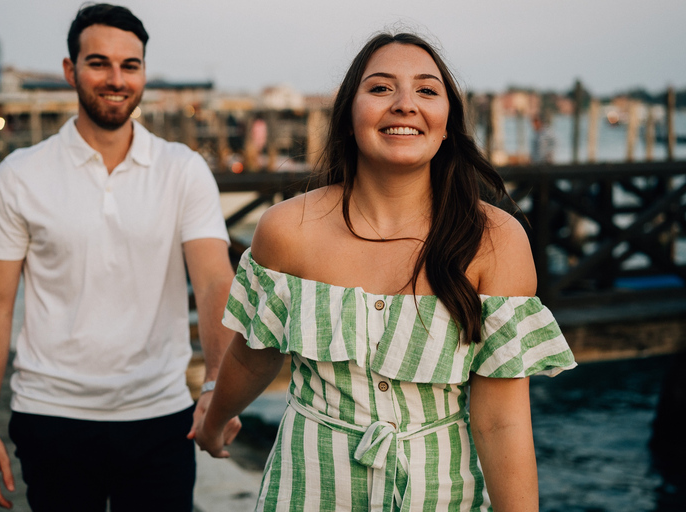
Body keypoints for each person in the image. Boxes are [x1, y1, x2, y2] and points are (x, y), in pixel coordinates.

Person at [194, 32, 576, 511]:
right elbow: (254, 356)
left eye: (426, 90)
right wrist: (213, 422)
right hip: (306, 490)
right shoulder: (288, 229)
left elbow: (501, 418)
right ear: (348, 118)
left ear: (447, 125)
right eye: (379, 88)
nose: (404, 104)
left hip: (443, 497)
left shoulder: (496, 239)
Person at [0, 4, 239, 511]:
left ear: (143, 73)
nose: (116, 79)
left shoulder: (182, 170)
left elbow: (213, 282)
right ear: (70, 71)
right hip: (51, 415)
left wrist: (218, 389)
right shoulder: (20, 174)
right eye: (99, 63)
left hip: (161, 416)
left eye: (129, 65)